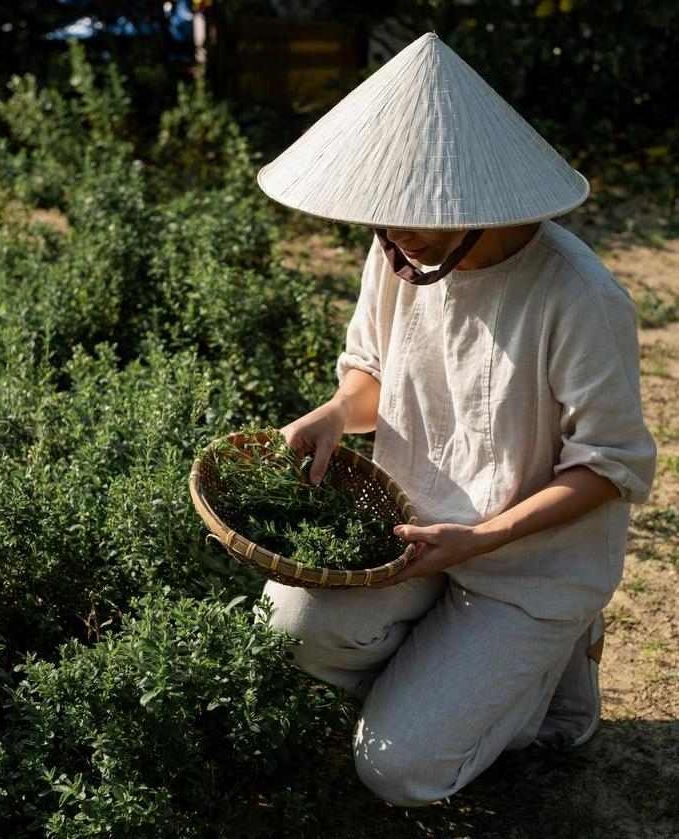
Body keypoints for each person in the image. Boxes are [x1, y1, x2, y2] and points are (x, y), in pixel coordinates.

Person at [254, 33, 657, 807]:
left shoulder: (580, 298)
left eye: (415, 220)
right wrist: (338, 411)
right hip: (412, 532)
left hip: (525, 566)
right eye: (385, 220)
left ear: (474, 203)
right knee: (289, 625)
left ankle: (551, 670)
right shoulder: (400, 251)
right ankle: (458, 670)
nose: (393, 236)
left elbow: (610, 465)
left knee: (398, 769)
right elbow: (371, 365)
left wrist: (481, 539)